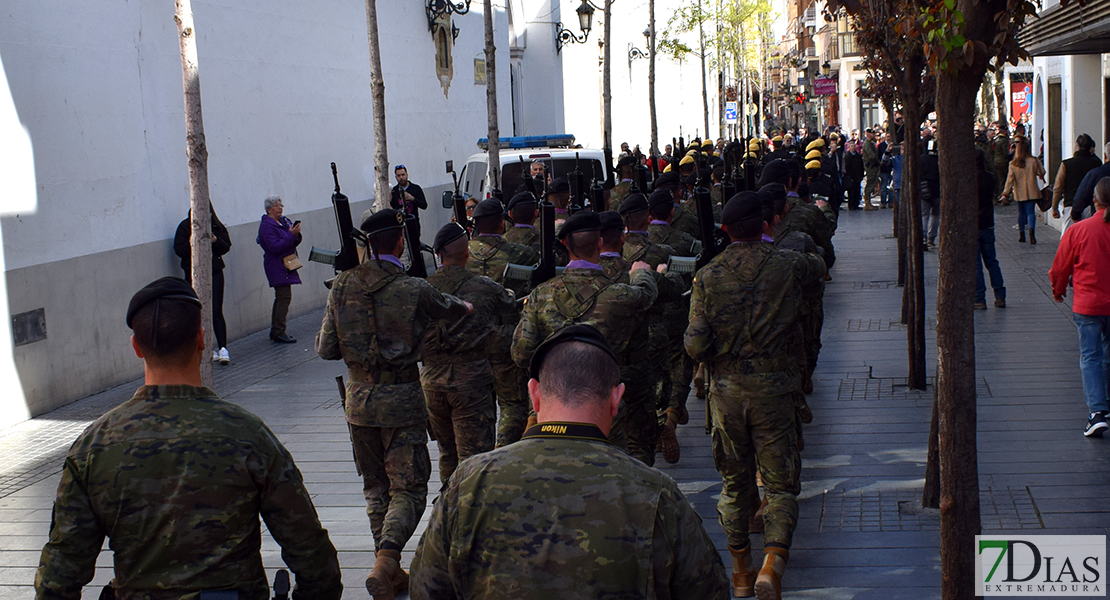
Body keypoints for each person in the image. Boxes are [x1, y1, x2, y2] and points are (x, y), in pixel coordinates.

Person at [36, 277, 342, 600]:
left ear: (136, 347)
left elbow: (59, 577)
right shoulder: (249, 435)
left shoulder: (93, 447)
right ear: (201, 339)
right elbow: (315, 559)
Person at [409, 324, 729, 599]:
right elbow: (709, 590)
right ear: (616, 399)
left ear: (534, 395)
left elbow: (425, 588)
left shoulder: (468, 482)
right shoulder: (657, 494)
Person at [314, 208, 472, 600]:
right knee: (410, 487)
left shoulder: (341, 286)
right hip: (401, 398)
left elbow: (325, 348)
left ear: (367, 244)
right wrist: (465, 308)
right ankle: (387, 559)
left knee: (374, 486)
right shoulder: (413, 288)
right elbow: (452, 307)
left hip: (358, 400)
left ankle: (386, 567)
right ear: (400, 242)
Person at [685, 192, 825, 600]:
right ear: (765, 225)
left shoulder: (708, 276)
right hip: (776, 389)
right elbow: (817, 265)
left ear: (725, 231)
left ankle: (741, 573)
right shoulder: (787, 265)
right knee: (779, 487)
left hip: (726, 395)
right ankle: (773, 564)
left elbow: (694, 345)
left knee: (733, 484)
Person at [511, 211, 658, 453]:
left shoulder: (541, 295)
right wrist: (641, 272)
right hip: (603, 398)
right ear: (600, 243)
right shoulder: (620, 295)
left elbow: (521, 353)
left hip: (553, 399)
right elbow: (646, 295)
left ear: (566, 246)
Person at [422, 223, 517, 483]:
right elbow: (510, 304)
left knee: (447, 453)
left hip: (431, 381)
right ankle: (471, 515)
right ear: (467, 254)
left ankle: (448, 510)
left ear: (438, 254)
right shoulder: (483, 287)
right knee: (475, 459)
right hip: (471, 382)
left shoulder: (422, 288)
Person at [466, 198, 540, 445]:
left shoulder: (462, 253)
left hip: (470, 336)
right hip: (507, 334)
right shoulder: (522, 253)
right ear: (502, 223)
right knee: (512, 403)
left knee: (476, 403)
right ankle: (504, 447)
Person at [1049, 177, 1110, 438]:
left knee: (1090, 357)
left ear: (1094, 201)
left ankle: (1097, 412)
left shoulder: (1079, 230)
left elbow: (1060, 267)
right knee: (1106, 356)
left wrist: (1059, 290)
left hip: (1088, 304)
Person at [173, 204, 232, 363]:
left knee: (216, 310)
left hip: (215, 272)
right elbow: (179, 250)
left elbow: (226, 246)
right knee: (197, 312)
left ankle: (223, 348)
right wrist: (193, 242)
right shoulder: (185, 227)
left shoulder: (215, 226)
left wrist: (215, 240)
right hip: (193, 275)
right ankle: (205, 348)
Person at [257, 195, 302, 343]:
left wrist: (296, 235)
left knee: (283, 297)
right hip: (276, 264)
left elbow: (292, 241)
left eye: (281, 205)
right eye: (276, 205)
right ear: (268, 209)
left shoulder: (283, 221)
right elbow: (275, 247)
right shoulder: (267, 226)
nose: (280, 208)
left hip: (285, 263)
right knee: (283, 297)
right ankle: (278, 331)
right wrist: (290, 235)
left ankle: (277, 329)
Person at [974, 150, 1006, 310]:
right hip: (987, 222)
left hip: (973, 223)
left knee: (976, 264)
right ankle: (1000, 295)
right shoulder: (990, 177)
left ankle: (979, 298)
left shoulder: (968, 178)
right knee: (992, 261)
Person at [999, 138, 1046, 244]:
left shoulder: (1013, 164)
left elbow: (1009, 180)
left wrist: (1005, 193)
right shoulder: (1033, 160)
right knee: (1031, 213)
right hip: (1033, 190)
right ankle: (1032, 233)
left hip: (1020, 191)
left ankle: (1021, 234)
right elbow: (1042, 172)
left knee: (1021, 212)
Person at [1055, 135, 1103, 231]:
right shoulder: (1096, 163)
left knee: (1069, 237)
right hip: (1090, 205)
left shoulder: (1067, 164)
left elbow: (1058, 187)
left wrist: (1054, 206)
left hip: (1071, 204)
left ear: (1076, 146)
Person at [390, 165, 429, 245]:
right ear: (396, 177)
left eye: (403, 175)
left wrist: (413, 199)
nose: (401, 177)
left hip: (413, 225)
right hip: (400, 227)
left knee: (415, 248)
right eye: (398, 175)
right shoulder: (394, 191)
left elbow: (424, 205)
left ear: (407, 175)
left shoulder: (415, 188)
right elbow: (392, 209)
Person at [920, 140, 942, 247]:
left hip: (925, 189)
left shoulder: (922, 158)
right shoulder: (939, 159)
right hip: (937, 189)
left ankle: (923, 236)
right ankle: (931, 236)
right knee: (936, 214)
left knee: (924, 214)